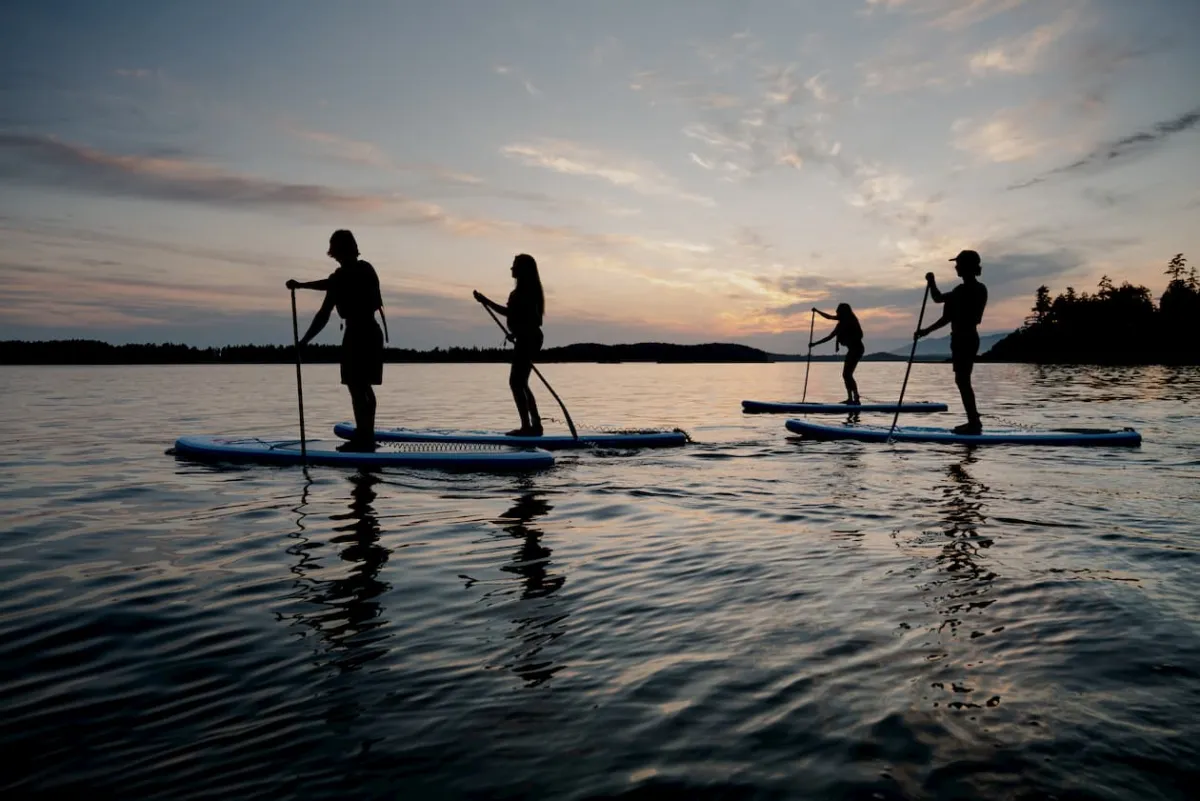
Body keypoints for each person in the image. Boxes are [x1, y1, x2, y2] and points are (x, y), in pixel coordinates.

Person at [287, 230, 388, 452]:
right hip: (367, 333)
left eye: (338, 251)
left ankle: (365, 437)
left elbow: (333, 287)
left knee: (359, 386)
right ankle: (365, 435)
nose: (337, 256)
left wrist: (302, 285)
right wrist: (305, 341)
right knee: (361, 387)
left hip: (361, 334)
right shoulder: (352, 274)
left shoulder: (358, 272)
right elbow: (324, 311)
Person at [916, 249, 988, 434]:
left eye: (958, 264)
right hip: (968, 338)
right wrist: (926, 331)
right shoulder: (977, 289)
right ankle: (973, 421)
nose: (956, 267)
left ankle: (974, 423)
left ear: (966, 267)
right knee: (962, 381)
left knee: (962, 381)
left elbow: (939, 300)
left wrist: (931, 282)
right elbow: (946, 313)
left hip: (964, 339)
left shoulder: (965, 290)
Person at [473, 254, 545, 436]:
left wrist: (521, 331)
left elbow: (534, 320)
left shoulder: (528, 292)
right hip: (526, 338)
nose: (511, 269)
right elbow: (511, 313)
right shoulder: (521, 292)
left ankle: (527, 427)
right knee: (521, 383)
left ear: (522, 270)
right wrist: (486, 301)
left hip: (529, 339)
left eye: (514, 266)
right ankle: (534, 425)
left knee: (516, 382)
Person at [811, 303, 865, 404]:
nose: (836, 312)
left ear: (843, 312)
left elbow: (830, 321)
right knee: (846, 375)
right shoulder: (841, 324)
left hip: (857, 350)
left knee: (847, 374)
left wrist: (817, 311)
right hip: (852, 350)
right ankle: (850, 398)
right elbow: (830, 334)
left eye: (838, 311)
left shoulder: (850, 321)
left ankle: (856, 398)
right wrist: (815, 344)